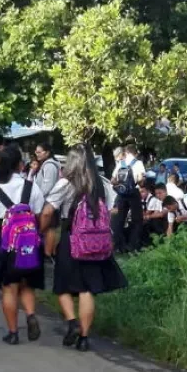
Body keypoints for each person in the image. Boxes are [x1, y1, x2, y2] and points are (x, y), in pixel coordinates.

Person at [39, 144, 127, 352]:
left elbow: (47, 211)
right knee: (87, 290)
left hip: (72, 240)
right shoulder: (103, 184)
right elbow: (114, 210)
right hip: (97, 243)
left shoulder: (65, 183)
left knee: (62, 286)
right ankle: (85, 337)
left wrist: (42, 230)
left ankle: (72, 321)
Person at [0, 146, 46, 345]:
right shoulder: (30, 186)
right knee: (26, 284)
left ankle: (13, 332)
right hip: (30, 244)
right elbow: (40, 213)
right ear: (20, 164)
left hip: (5, 244)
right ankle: (31, 315)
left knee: (9, 288)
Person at [112, 144, 147, 253]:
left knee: (118, 220)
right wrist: (141, 182)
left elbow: (112, 180)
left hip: (121, 195)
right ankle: (132, 246)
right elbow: (141, 181)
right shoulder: (138, 163)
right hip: (133, 193)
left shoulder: (120, 163)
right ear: (134, 153)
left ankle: (118, 246)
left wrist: (121, 185)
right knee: (137, 220)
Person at [32, 142, 62, 257]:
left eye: (39, 152)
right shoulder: (47, 164)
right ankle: (49, 252)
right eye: (36, 152)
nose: (37, 154)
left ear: (47, 152)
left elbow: (47, 186)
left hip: (48, 201)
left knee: (50, 228)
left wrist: (38, 198)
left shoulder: (49, 166)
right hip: (47, 201)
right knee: (49, 227)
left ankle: (49, 253)